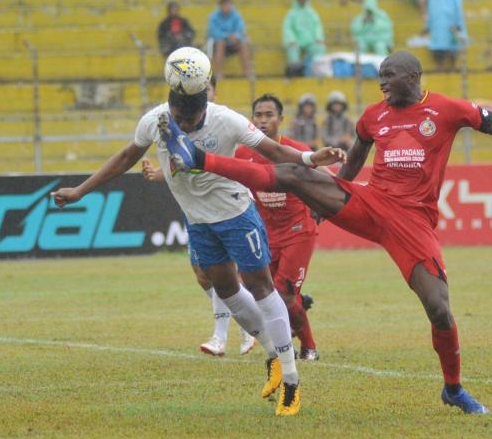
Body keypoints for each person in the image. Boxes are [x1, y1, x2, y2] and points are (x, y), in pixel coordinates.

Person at [165, 51, 492, 415]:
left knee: (439, 309)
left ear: (413, 76)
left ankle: (452, 389)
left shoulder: (448, 109)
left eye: (389, 76)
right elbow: (353, 164)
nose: (382, 84)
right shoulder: (374, 116)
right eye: (379, 78)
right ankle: (199, 159)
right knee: (292, 173)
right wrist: (327, 201)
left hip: (413, 222)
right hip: (369, 202)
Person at [51, 48, 347, 417]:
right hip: (199, 221)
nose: (185, 125)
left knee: (261, 286)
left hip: (237, 214)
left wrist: (308, 158)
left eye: (191, 120)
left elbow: (272, 150)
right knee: (223, 287)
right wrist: (80, 190)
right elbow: (126, 157)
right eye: (180, 120)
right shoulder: (156, 120)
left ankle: (291, 380)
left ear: (204, 103)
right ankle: (272, 352)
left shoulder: (226, 120)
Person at [142, 76, 256, 357]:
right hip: (195, 211)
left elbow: (232, 166)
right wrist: (158, 173)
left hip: (226, 210)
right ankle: (243, 328)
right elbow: (182, 168)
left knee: (225, 276)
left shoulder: (227, 125)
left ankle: (228, 334)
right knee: (203, 275)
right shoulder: (176, 128)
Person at [235, 94, 321, 360]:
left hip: (298, 231)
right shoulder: (243, 153)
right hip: (266, 234)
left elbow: (322, 178)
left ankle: (309, 348)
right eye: (258, 115)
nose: (263, 120)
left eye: (268, 115)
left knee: (283, 294)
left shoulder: (294, 150)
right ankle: (295, 316)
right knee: (264, 294)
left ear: (280, 120)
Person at [426, 0, 467, 70]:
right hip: (437, 28)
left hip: (451, 25)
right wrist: (428, 26)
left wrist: (457, 25)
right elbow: (430, 11)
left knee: (453, 48)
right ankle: (440, 70)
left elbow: (458, 9)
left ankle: (453, 69)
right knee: (438, 51)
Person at [283, 0, 326, 77]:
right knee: (292, 49)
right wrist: (291, 39)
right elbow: (287, 28)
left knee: (320, 48)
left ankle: (317, 72)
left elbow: (317, 26)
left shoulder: (312, 13)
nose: (302, 1)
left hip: (310, 41)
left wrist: (318, 38)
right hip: (296, 41)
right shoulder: (291, 14)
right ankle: (295, 73)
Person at [207, 0, 252, 80]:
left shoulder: (236, 16)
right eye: (224, 5)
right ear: (220, 6)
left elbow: (241, 30)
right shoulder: (214, 16)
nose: (226, 7)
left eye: (228, 5)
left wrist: (236, 36)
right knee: (221, 43)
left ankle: (247, 72)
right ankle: (218, 73)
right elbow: (213, 32)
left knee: (243, 44)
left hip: (233, 42)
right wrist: (227, 36)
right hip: (218, 42)